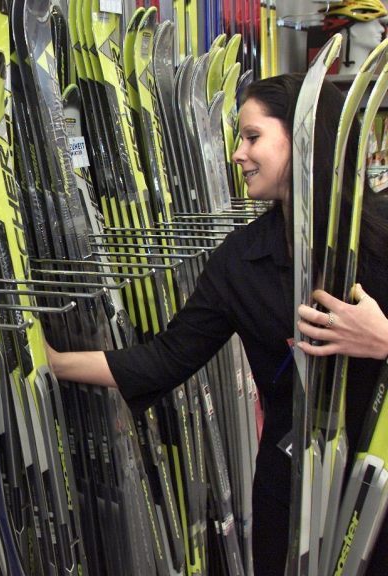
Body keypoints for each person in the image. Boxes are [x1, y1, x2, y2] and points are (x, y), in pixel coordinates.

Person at [47, 74, 388, 575]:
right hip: (290, 493)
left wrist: (383, 339)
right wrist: (53, 362)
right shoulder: (242, 260)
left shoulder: (380, 232)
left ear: (305, 135)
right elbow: (166, 358)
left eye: (252, 137)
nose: (236, 154)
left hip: (377, 492)